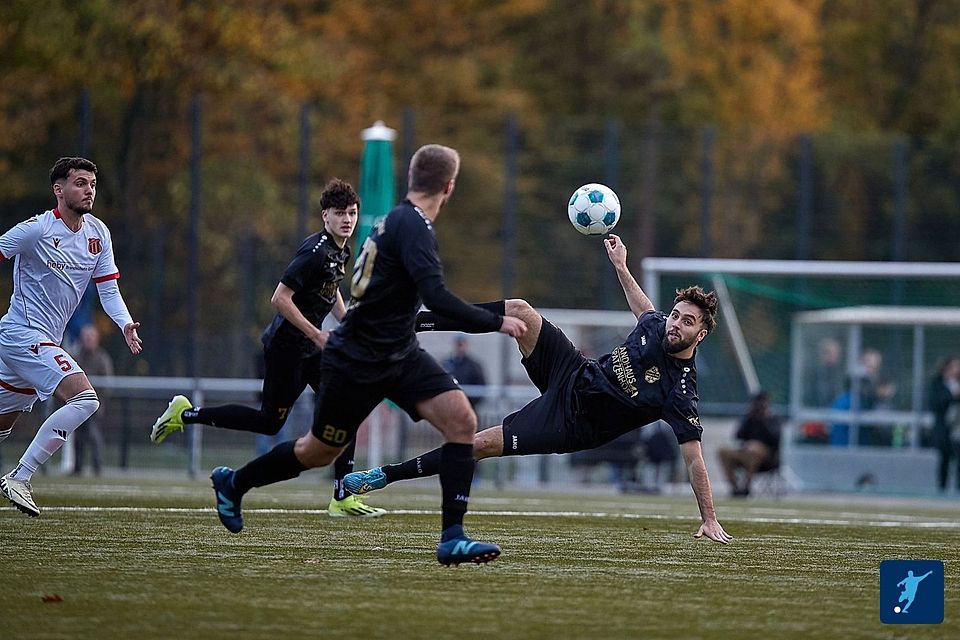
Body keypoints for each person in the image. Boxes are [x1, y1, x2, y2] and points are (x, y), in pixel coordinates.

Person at [204, 144, 527, 566]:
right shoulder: (411, 227)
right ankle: (235, 483)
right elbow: (437, 297)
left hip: (398, 354)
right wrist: (497, 321)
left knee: (462, 420)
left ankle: (452, 537)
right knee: (317, 453)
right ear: (449, 188)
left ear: (414, 180)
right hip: (357, 359)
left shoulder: (399, 221)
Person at [346, 234, 732, 544]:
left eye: (687, 322)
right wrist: (620, 266)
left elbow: (694, 460)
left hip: (570, 422)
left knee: (478, 445)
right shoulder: (656, 325)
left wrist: (710, 518)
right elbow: (643, 305)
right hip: (572, 374)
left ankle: (381, 476)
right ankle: (415, 322)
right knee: (519, 310)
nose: (675, 324)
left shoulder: (681, 391)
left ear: (701, 334)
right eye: (676, 315)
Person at [149, 178, 385, 517]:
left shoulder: (342, 248)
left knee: (346, 404)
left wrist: (344, 322)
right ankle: (185, 414)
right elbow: (280, 298)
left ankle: (342, 495)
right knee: (269, 422)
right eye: (339, 213)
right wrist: (316, 334)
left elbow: (329, 288)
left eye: (352, 212)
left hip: (311, 349)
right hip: (286, 348)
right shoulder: (314, 252)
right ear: (325, 217)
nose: (347, 219)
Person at [0, 157, 142, 516]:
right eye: (80, 183)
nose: (89, 190)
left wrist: (124, 323)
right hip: (21, 336)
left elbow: (108, 291)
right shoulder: (36, 230)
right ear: (59, 190)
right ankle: (20, 477)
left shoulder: (98, 234)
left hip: (43, 343)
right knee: (85, 399)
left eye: (92, 184)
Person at [717, 391, 780, 497]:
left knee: (754, 450)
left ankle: (746, 487)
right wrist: (748, 418)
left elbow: (775, 440)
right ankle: (735, 488)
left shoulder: (773, 420)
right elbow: (738, 436)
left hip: (766, 458)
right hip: (745, 453)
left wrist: (764, 420)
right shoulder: (749, 419)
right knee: (723, 452)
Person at [72, 324, 115, 476]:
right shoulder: (77, 357)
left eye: (91, 337)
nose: (88, 340)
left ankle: (97, 467)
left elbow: (107, 383)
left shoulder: (102, 358)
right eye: (86, 337)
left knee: (93, 434)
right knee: (78, 437)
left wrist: (100, 403)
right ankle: (77, 467)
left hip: (96, 405)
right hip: (78, 403)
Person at [928, 355, 960, 492]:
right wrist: (952, 395)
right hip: (944, 429)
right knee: (944, 461)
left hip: (957, 429)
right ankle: (942, 490)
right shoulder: (937, 383)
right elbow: (935, 403)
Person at [442, 335, 486, 408]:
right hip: (450, 406)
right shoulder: (447, 364)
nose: (460, 347)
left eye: (462, 344)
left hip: (469, 406)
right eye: (459, 344)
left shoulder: (474, 366)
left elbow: (481, 387)